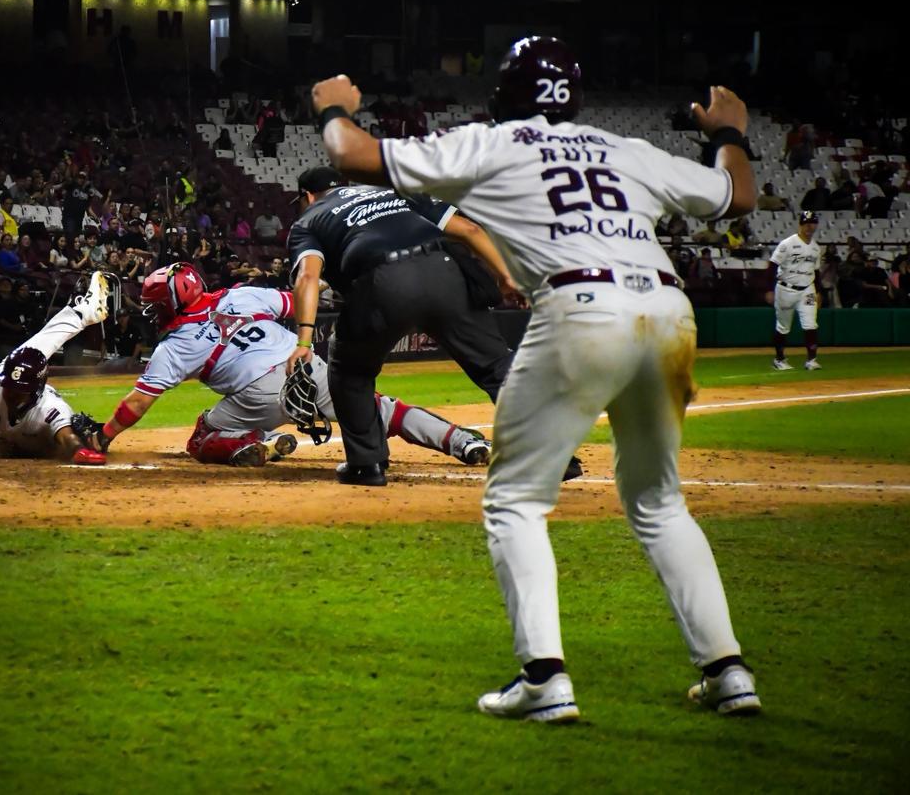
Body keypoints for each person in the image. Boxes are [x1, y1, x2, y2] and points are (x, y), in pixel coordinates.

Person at [310, 36, 761, 720]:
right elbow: (738, 195)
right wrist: (730, 130)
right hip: (668, 311)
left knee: (516, 500)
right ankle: (728, 672)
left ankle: (545, 678)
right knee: (659, 503)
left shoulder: (496, 143)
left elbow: (349, 155)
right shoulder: (623, 148)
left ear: (503, 93)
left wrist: (335, 108)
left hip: (581, 307)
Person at [286, 167, 581, 486]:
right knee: (497, 365)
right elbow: (469, 229)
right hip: (445, 271)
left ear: (308, 196)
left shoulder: (309, 219)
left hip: (383, 283)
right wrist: (506, 277)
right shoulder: (393, 191)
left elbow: (308, 277)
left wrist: (304, 340)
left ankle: (366, 465)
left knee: (349, 372)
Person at [83, 263, 490, 469]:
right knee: (382, 409)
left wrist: (103, 437)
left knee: (203, 435)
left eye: (156, 305)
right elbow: (299, 300)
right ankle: (464, 442)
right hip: (305, 363)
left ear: (169, 304)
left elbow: (138, 403)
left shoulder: (174, 345)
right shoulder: (241, 296)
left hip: (257, 395)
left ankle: (254, 443)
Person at [0, 272, 110, 461]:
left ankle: (81, 311)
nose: (10, 393)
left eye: (18, 391)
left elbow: (68, 438)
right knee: (29, 355)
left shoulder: (49, 407)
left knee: (64, 435)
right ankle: (82, 310)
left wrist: (79, 450)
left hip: (8, 431)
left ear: (35, 390)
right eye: (9, 387)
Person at [768, 211, 824, 370]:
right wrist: (768, 289)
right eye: (806, 223)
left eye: (812, 223)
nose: (809, 226)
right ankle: (779, 359)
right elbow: (772, 265)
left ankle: (811, 360)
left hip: (807, 289)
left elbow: (817, 271)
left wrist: (819, 292)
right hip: (786, 289)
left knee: (810, 323)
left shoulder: (815, 247)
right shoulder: (787, 243)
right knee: (783, 326)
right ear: (800, 224)